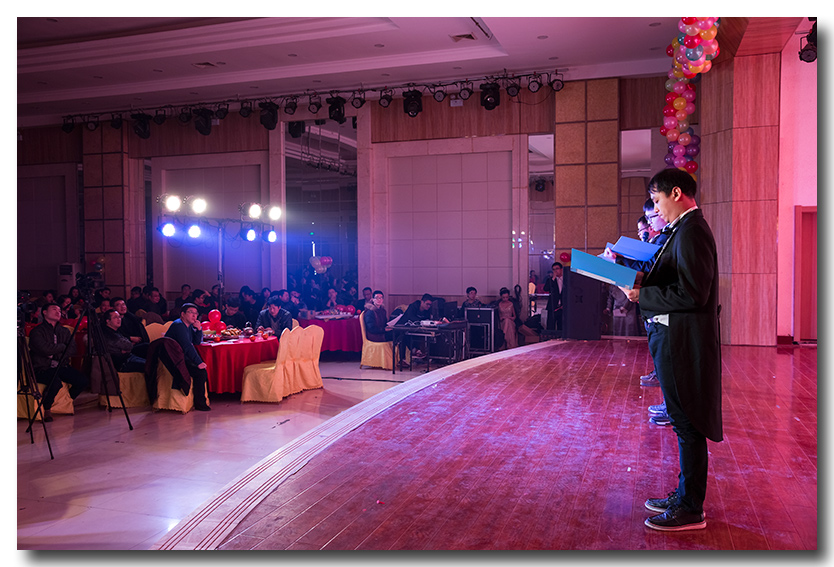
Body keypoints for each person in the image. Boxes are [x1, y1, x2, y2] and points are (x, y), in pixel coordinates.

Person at [619, 168, 721, 532]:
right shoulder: (681, 229)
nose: (656, 209)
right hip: (673, 337)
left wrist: (641, 295)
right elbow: (673, 278)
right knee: (681, 421)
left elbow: (693, 294)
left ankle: (691, 507)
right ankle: (684, 496)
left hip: (683, 341)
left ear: (676, 193)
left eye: (657, 199)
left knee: (687, 423)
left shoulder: (692, 231)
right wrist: (635, 279)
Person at [27, 303, 89, 421]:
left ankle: (66, 400)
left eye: (60, 310)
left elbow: (72, 349)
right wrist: (62, 346)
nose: (58, 312)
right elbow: (44, 349)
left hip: (60, 365)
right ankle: (47, 408)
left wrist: (58, 350)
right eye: (54, 309)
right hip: (42, 367)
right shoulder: (37, 331)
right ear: (45, 312)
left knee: (82, 380)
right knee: (55, 383)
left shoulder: (64, 331)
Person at [164, 303, 211, 411]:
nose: (194, 316)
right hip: (173, 359)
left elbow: (196, 342)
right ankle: (200, 404)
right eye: (191, 313)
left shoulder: (188, 325)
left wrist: (199, 329)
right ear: (183, 314)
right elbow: (187, 346)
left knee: (202, 369)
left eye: (196, 313)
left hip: (182, 356)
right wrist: (198, 362)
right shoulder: (178, 325)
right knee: (200, 372)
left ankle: (202, 400)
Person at [543, 262, 564, 332]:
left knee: (561, 325)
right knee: (551, 324)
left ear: (561, 269)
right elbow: (546, 288)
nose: (555, 271)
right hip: (553, 306)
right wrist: (553, 279)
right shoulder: (550, 280)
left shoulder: (565, 280)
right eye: (553, 269)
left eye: (557, 269)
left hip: (562, 306)